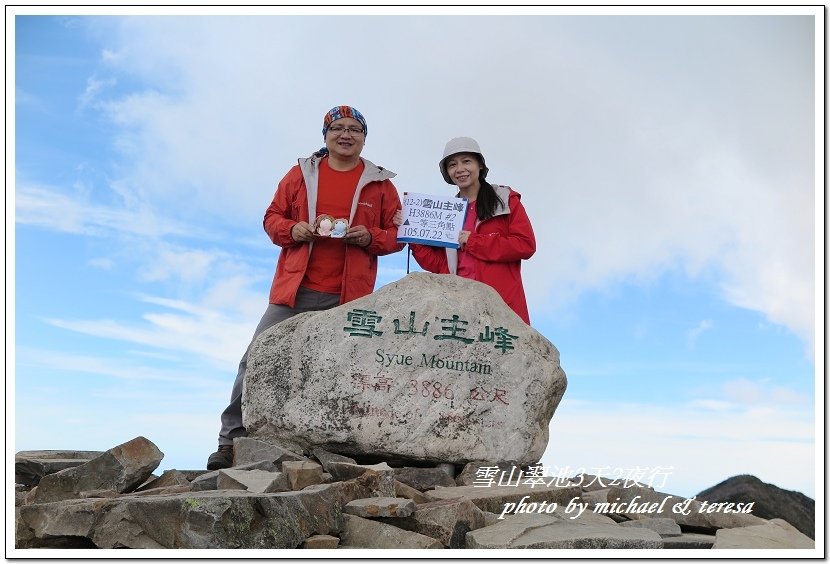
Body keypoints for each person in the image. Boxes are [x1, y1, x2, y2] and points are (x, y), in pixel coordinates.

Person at [207, 105, 404, 470]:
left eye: (355, 129)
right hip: (294, 290)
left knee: (347, 369)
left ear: (364, 137)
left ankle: (346, 446)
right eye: (338, 128)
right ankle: (230, 442)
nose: (346, 135)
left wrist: (371, 237)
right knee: (255, 359)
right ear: (325, 135)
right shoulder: (300, 174)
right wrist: (292, 230)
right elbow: (271, 218)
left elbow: (398, 235)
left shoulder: (380, 184)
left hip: (349, 297)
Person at [408, 137, 536, 324]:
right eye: (452, 165)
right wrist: (413, 236)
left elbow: (525, 245)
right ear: (447, 173)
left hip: (503, 305)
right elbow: (440, 265)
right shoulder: (446, 211)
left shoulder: (505, 199)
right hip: (460, 306)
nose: (459, 169)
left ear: (480, 165)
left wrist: (475, 242)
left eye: (466, 161)